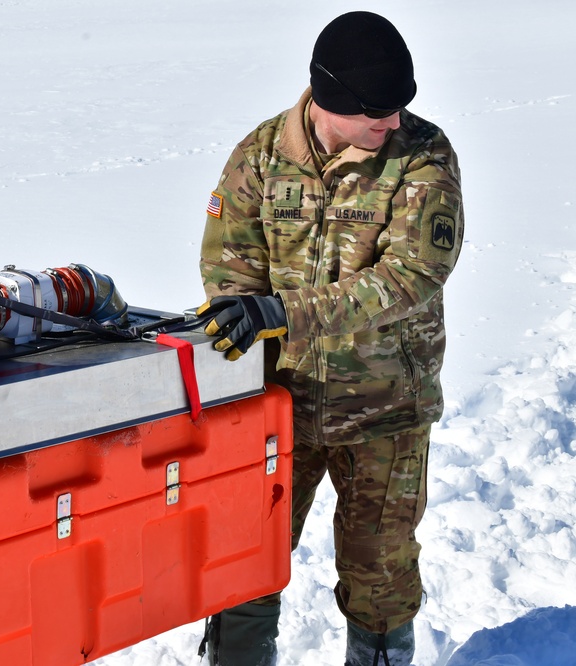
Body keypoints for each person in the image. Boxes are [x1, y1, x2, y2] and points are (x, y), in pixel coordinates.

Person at [196, 11, 463, 666]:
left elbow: (410, 278)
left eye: (401, 108)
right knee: (243, 561)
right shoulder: (260, 156)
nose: (393, 124)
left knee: (381, 576)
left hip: (386, 413)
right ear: (330, 98)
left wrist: (280, 310)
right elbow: (229, 270)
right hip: (278, 409)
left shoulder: (422, 158)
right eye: (378, 112)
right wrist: (242, 333)